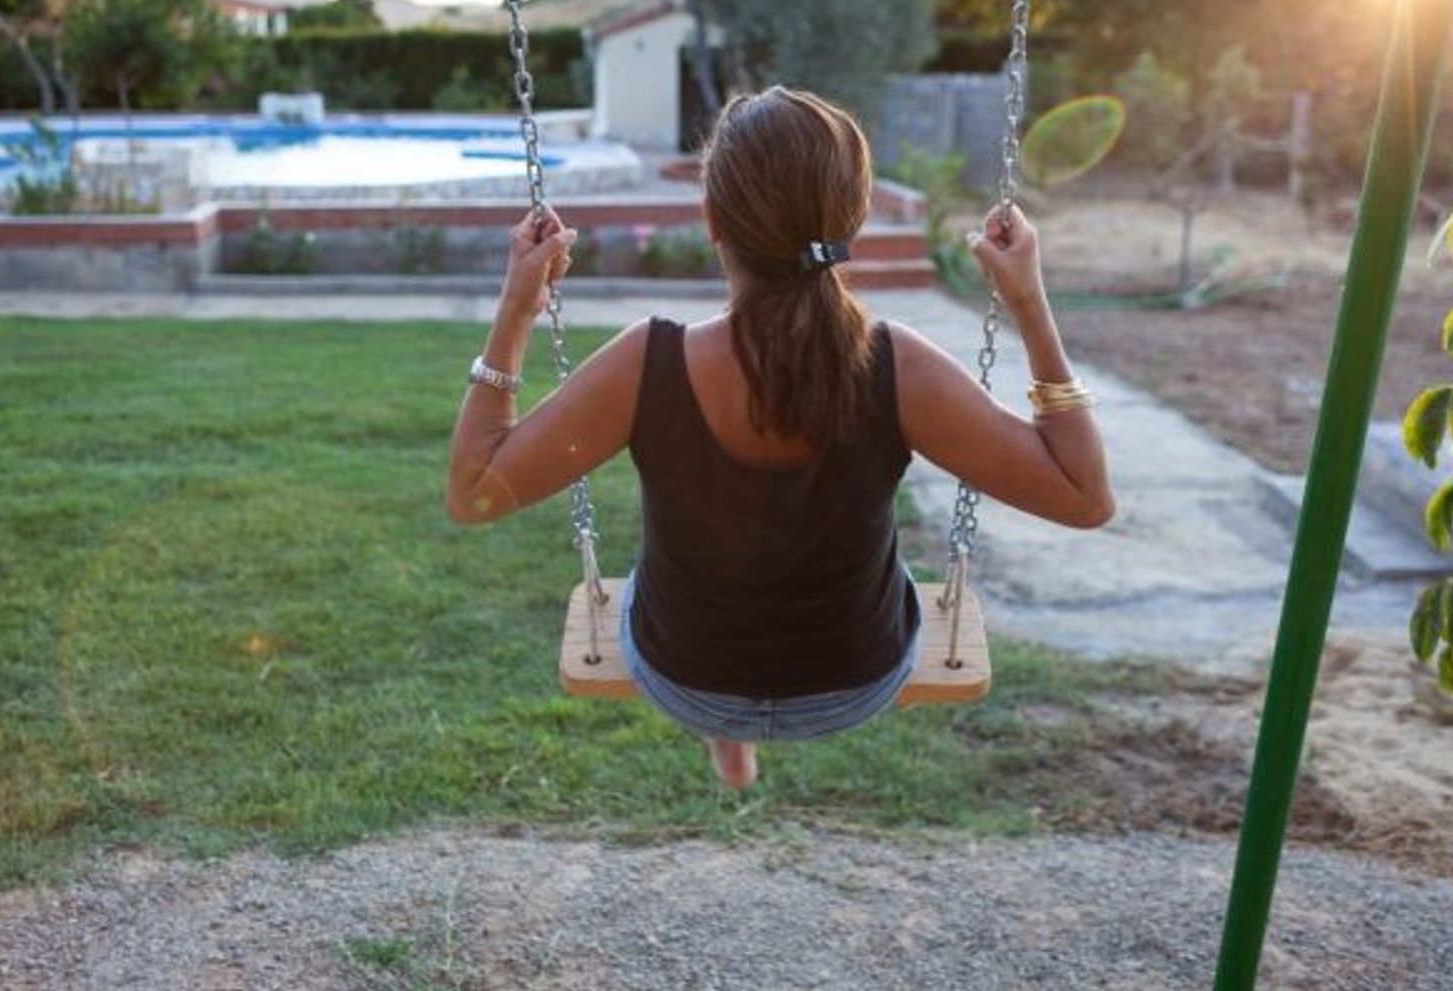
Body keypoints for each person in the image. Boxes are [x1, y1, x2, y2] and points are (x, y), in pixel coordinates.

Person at [447, 86, 1113, 790]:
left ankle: (727, 732)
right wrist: (1029, 303)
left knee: (661, 579)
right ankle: (736, 733)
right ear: (853, 216)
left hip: (687, 679)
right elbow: (1083, 496)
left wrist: (517, 307)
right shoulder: (898, 367)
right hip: (854, 681)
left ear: (712, 221)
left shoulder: (649, 364)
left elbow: (472, 493)